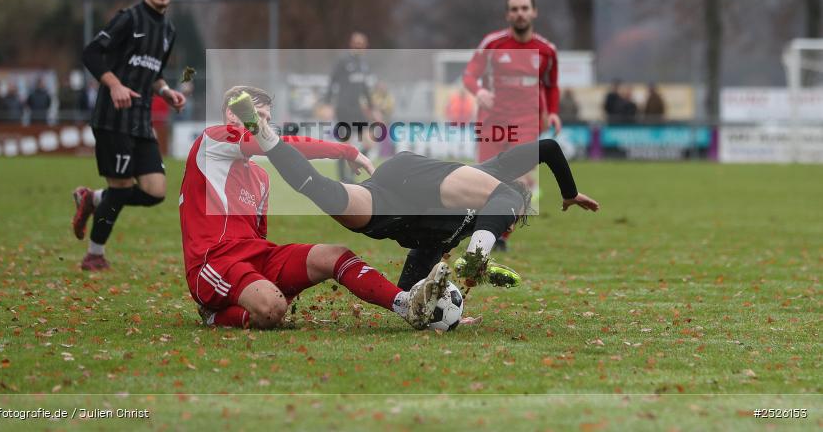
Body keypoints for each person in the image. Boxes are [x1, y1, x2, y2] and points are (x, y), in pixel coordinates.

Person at [227, 88, 598, 294]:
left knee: (322, 192)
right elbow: (548, 148)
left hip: (392, 206)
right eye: (512, 221)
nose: (511, 223)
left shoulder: (447, 237)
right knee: (507, 195)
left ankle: (265, 134)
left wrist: (436, 304)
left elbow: (411, 283)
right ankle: (479, 255)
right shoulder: (500, 178)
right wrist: (569, 193)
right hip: (416, 175)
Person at [181, 86, 449, 330]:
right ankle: (214, 315)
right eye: (255, 115)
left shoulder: (261, 178)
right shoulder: (212, 140)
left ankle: (408, 305)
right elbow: (284, 145)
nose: (261, 125)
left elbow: (258, 236)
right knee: (272, 309)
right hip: (214, 262)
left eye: (265, 119)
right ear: (231, 114)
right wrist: (345, 150)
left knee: (335, 255)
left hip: (255, 254)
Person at [70, 0, 187, 271]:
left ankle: (91, 198)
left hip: (140, 121)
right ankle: (95, 254)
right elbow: (92, 53)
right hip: (112, 119)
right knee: (120, 187)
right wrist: (114, 84)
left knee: (155, 191)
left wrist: (166, 90)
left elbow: (153, 72)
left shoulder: (169, 31)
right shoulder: (128, 19)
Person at [463, 0, 561, 251]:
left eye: (524, 8)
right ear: (508, 15)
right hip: (491, 120)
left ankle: (501, 235)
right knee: (485, 178)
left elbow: (552, 86)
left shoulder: (546, 51)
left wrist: (552, 111)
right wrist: (480, 91)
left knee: (519, 179)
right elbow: (469, 75)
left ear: (534, 12)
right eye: (514, 9)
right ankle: (477, 230)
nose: (520, 13)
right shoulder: (493, 44)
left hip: (525, 122)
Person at [324, 32, 373, 183]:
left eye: (362, 43)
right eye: (357, 43)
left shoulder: (363, 64)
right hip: (343, 108)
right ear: (351, 44)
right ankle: (342, 179)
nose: (360, 46)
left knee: (368, 142)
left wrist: (372, 107)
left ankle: (351, 174)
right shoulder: (343, 60)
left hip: (357, 109)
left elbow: (364, 87)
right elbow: (332, 82)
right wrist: (327, 103)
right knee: (345, 145)